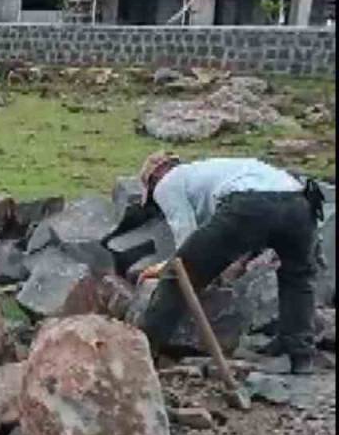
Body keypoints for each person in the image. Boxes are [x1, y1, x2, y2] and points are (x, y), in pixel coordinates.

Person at [136, 152, 325, 375]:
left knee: (177, 277)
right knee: (298, 277)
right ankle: (300, 355)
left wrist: (165, 268)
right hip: (299, 203)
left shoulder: (167, 183)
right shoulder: (217, 170)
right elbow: (261, 223)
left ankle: (142, 352)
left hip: (250, 204)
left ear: (154, 177)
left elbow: (185, 240)